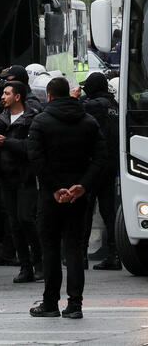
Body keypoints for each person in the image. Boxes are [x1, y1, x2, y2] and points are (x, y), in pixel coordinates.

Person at [28, 76, 107, 320]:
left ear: (49, 96)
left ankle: (50, 302)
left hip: (52, 196)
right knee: (74, 250)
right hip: (78, 195)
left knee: (50, 249)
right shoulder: (89, 122)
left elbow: (36, 159)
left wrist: (54, 188)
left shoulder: (40, 122)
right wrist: (82, 186)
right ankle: (75, 305)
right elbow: (101, 157)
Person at [0, 80, 42, 283]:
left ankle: (39, 263)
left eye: (7, 93)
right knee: (14, 223)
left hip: (25, 177)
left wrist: (5, 142)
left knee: (26, 218)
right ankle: (25, 267)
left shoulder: (32, 118)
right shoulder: (0, 119)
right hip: (5, 177)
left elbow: (31, 147)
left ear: (17, 97)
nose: (2, 97)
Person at [75, 72, 121, 270]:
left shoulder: (93, 105)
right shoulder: (115, 106)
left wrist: (74, 97)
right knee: (108, 211)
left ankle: (81, 256)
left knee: (85, 210)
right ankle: (114, 254)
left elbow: (74, 112)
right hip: (111, 164)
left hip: (93, 164)